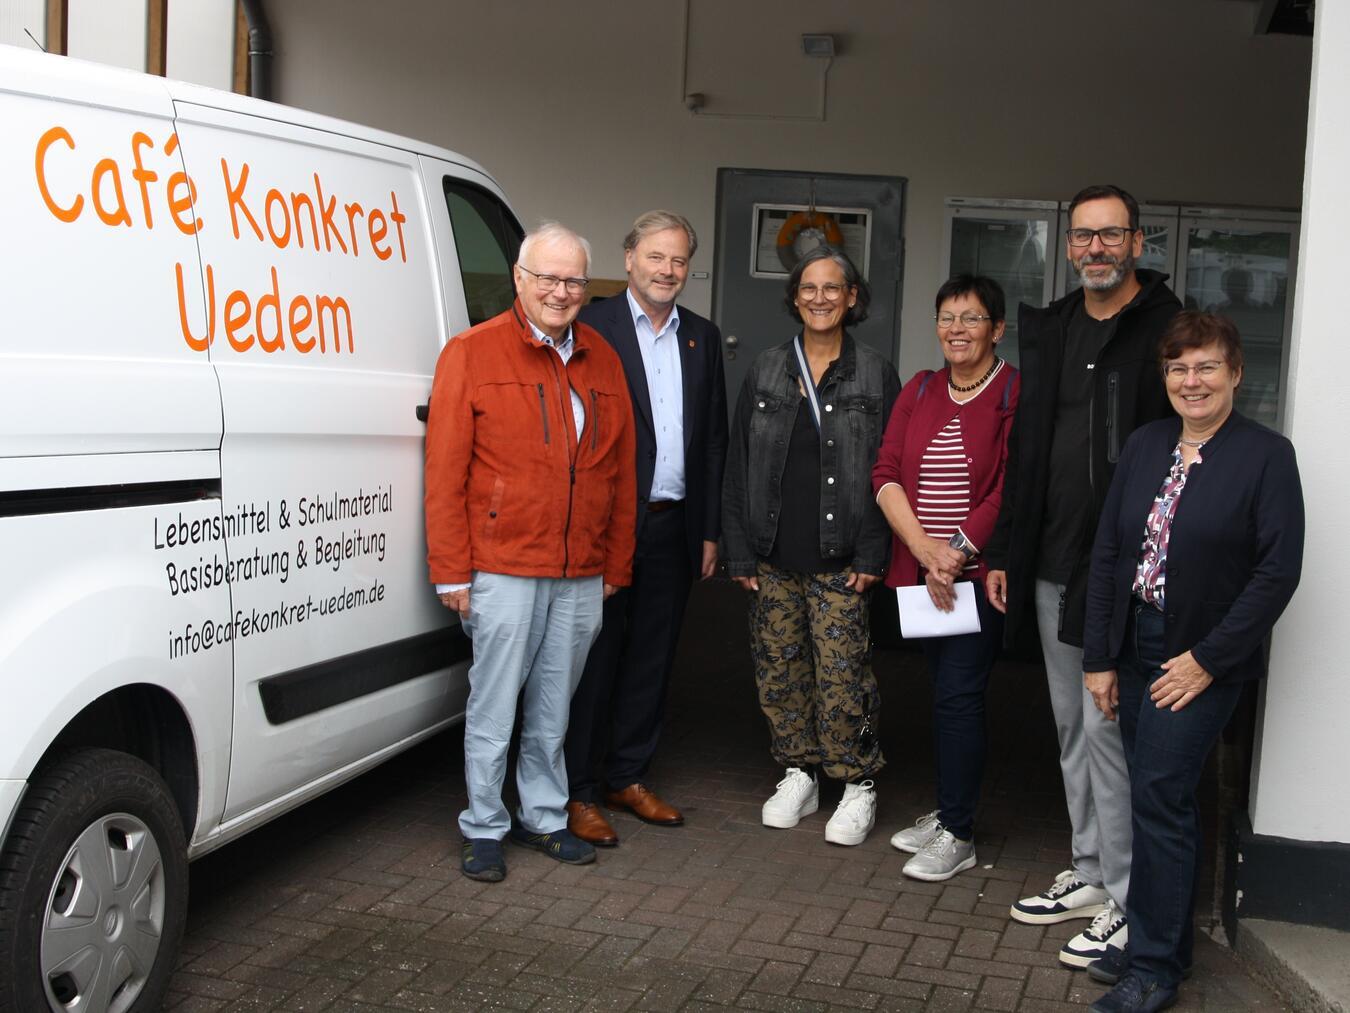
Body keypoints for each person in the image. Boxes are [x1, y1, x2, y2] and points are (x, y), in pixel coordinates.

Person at [984, 184, 1182, 969]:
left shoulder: (1165, 327)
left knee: (1112, 735)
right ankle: (1093, 871)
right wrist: (1006, 549)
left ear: (1137, 242)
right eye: (1083, 237)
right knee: (1072, 725)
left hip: (1122, 571)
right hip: (1050, 557)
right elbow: (1029, 450)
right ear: (1068, 246)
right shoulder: (1056, 327)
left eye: (1111, 236)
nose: (1096, 249)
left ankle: (1131, 901)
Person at [1082, 312, 1303, 1012]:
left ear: (1236, 372)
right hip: (1136, 644)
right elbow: (1110, 553)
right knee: (1156, 801)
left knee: (1160, 798)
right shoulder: (1147, 445)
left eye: (1206, 366)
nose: (1192, 380)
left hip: (1199, 658)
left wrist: (1208, 660)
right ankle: (1159, 939)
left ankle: (1153, 968)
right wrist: (1099, 656)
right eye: (1178, 368)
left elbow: (1278, 571)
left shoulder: (1266, 455)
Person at [424, 222, 637, 882]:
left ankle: (543, 815)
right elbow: (445, 471)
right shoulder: (472, 352)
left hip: (579, 572)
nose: (560, 290)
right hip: (504, 565)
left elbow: (623, 470)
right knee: (493, 708)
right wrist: (451, 570)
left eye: (574, 279)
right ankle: (484, 823)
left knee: (553, 708)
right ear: (518, 279)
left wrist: (616, 563)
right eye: (546, 276)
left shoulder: (602, 357)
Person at [723, 246, 900, 846]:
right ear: (794, 297)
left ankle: (856, 782)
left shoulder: (875, 372)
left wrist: (874, 552)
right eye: (809, 288)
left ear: (852, 299)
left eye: (833, 288)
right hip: (774, 553)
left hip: (842, 557)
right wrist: (740, 551)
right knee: (780, 668)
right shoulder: (767, 368)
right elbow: (738, 463)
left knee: (843, 674)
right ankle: (799, 770)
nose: (820, 298)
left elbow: (892, 471)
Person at [563, 211, 728, 846]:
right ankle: (578, 788)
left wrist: (710, 529)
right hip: (606, 527)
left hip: (673, 524)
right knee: (592, 660)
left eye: (680, 260)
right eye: (656, 257)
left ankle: (627, 776)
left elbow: (713, 440)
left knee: (652, 659)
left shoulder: (703, 338)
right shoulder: (590, 325)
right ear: (629, 257)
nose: (668, 271)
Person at [873, 275, 1019, 880]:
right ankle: (949, 810)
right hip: (922, 572)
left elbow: (1008, 485)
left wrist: (954, 555)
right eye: (947, 318)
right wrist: (924, 551)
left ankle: (959, 833)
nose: (957, 329)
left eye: (972, 318)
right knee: (942, 695)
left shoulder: (1013, 391)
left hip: (977, 575)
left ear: (997, 329)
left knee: (960, 698)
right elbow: (885, 472)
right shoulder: (922, 387)